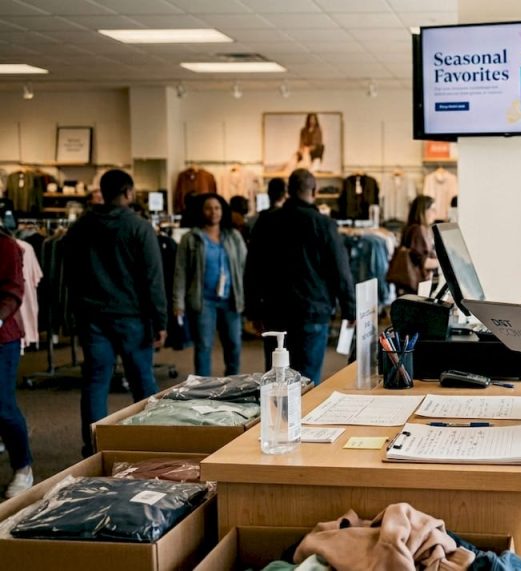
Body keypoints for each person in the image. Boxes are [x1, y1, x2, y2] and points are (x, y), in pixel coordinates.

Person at [65, 169, 167, 456]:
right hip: (132, 316)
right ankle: (153, 442)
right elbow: (152, 278)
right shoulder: (139, 226)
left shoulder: (80, 227)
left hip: (92, 316)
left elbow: (69, 274)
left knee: (96, 381)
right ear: (128, 193)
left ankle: (93, 446)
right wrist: (160, 319)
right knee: (142, 381)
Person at [246, 169, 355, 384]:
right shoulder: (324, 224)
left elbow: (252, 269)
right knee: (307, 380)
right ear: (314, 191)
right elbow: (340, 270)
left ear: (288, 190)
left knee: (276, 377)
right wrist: (349, 309)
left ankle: (277, 417)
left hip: (274, 311)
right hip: (312, 311)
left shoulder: (266, 221)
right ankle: (300, 416)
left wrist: (252, 310)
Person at [173, 193, 246, 377]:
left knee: (234, 345)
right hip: (203, 301)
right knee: (204, 346)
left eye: (217, 208)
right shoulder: (191, 238)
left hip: (231, 299)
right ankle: (203, 388)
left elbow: (245, 266)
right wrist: (178, 303)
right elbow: (180, 272)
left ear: (223, 210)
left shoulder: (233, 237)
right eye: (208, 208)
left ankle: (233, 385)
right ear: (201, 211)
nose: (213, 212)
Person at [0, 228, 33, 497]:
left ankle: (23, 467)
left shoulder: (7, 245)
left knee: (3, 406)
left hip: (2, 338)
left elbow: (13, 290)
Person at [391, 195, 439, 296]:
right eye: (432, 209)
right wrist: (444, 263)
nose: (435, 213)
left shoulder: (411, 228)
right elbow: (424, 262)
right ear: (423, 211)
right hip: (416, 286)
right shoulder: (417, 230)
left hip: (409, 286)